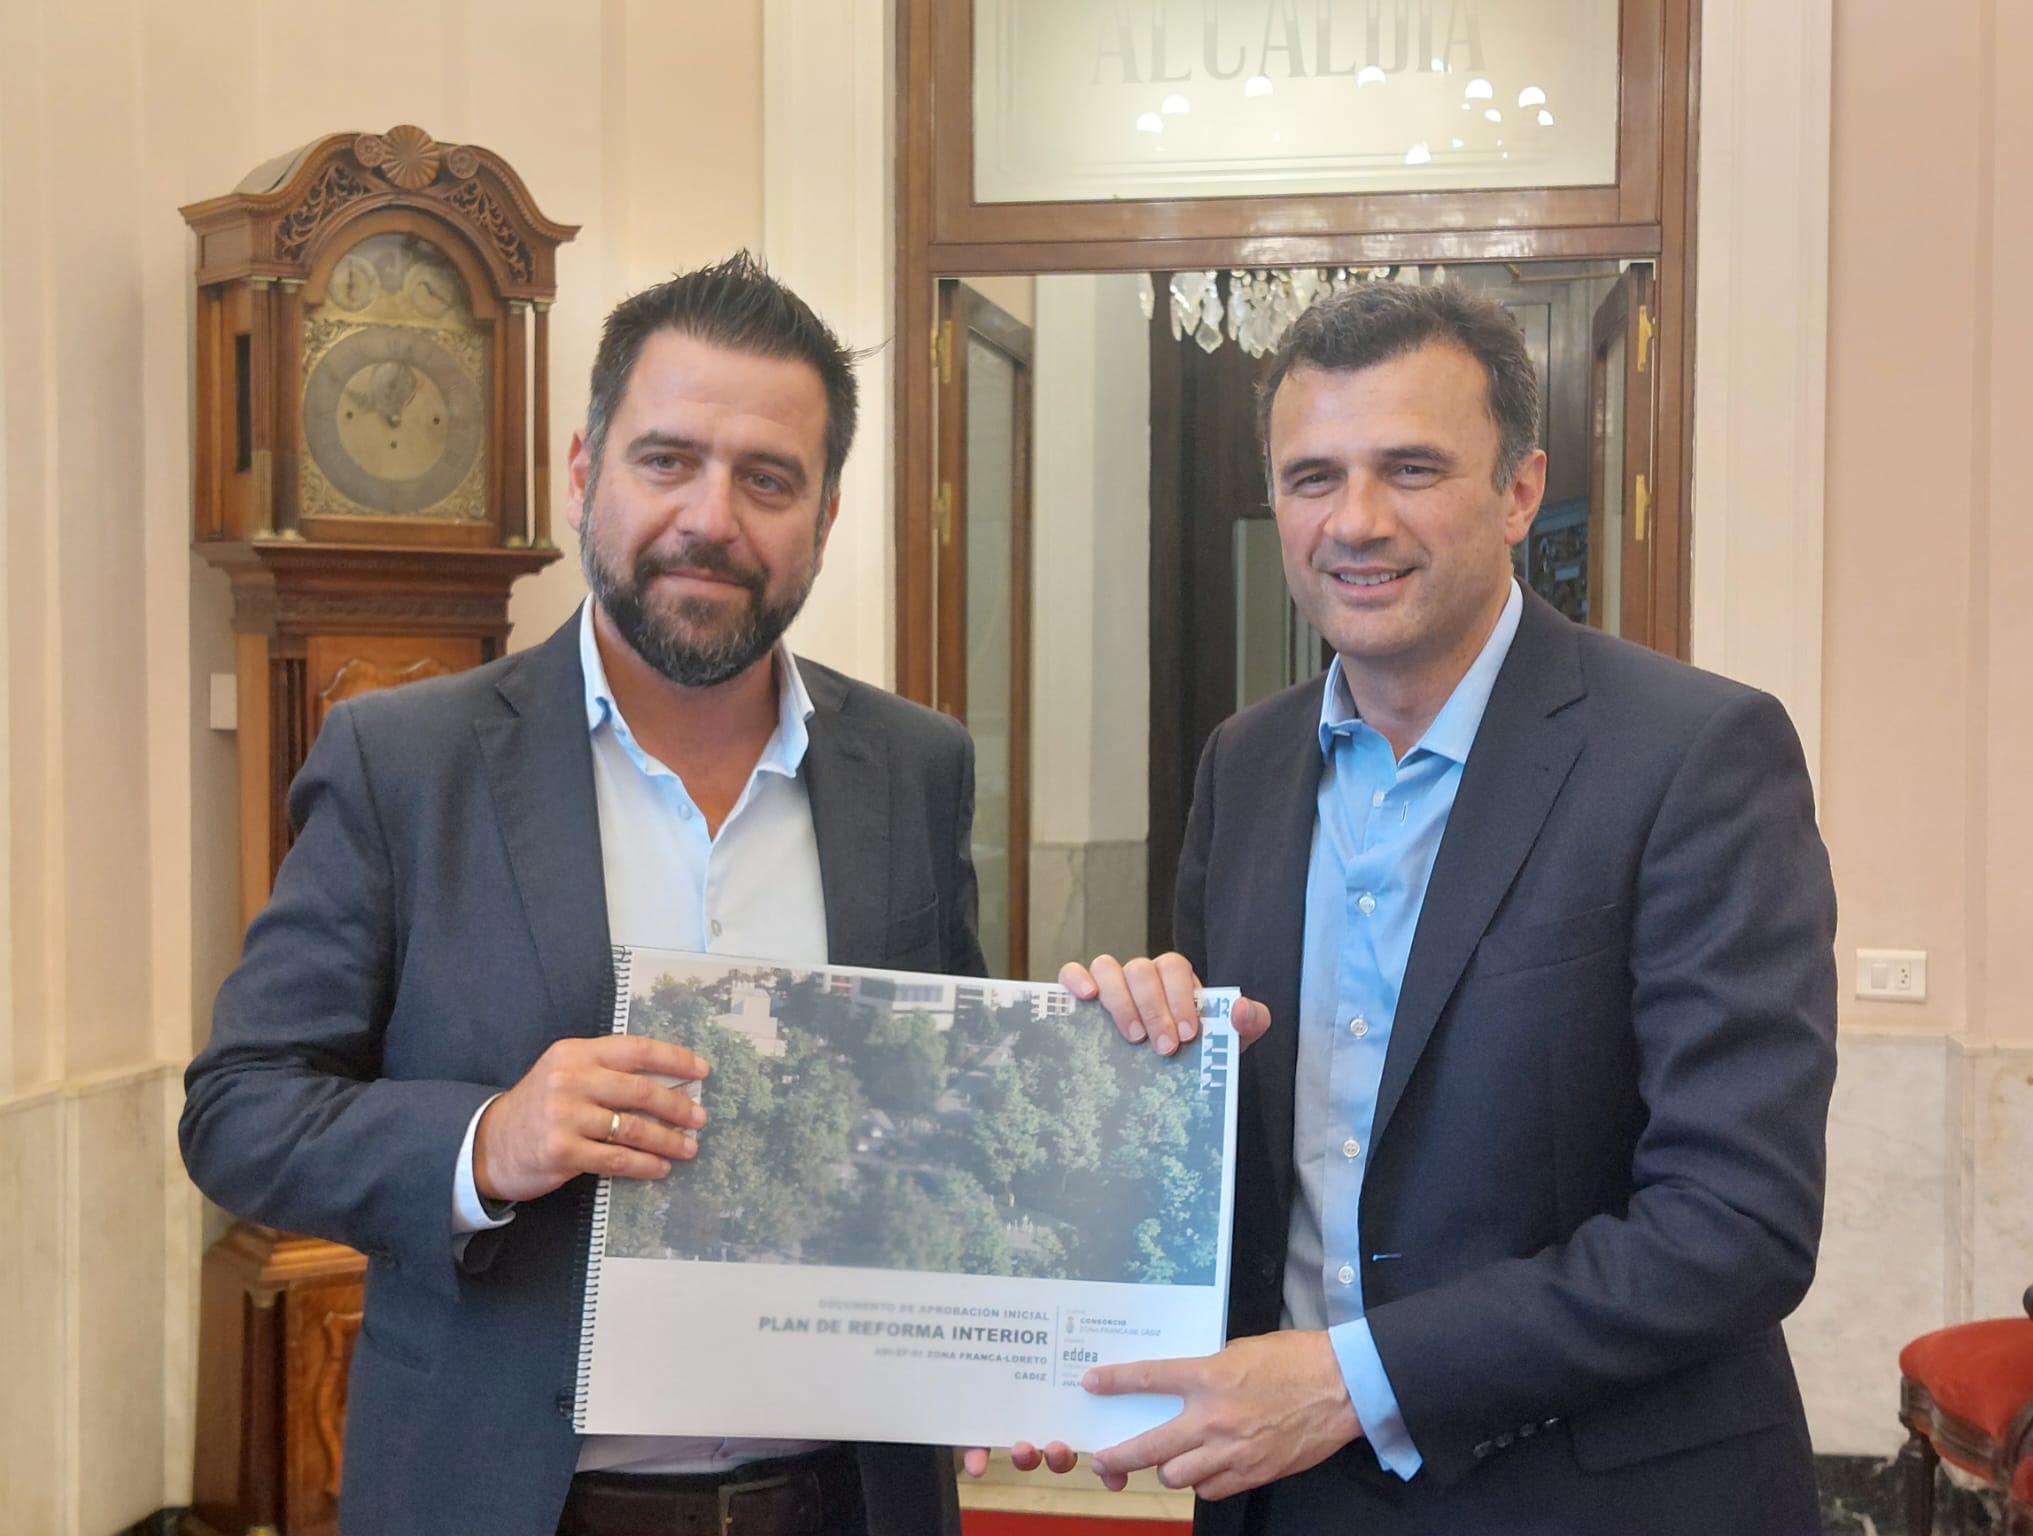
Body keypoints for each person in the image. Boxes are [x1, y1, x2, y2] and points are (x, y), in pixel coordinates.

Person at [1002, 281, 1838, 1534]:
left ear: (1517, 491)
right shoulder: (1245, 761)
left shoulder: (1694, 755)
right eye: (1311, 477)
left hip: (1594, 1497)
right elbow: (1232, 1165)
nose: (1356, 521)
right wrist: (1132, 1066)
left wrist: (1350, 1382)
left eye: (1409, 468)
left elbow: (1733, 1228)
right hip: (1283, 1497)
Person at [181, 253, 977, 1536]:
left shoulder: (917, 769)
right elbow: (237, 1112)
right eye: (666, 460)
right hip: (516, 1501)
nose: (710, 517)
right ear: (582, 472)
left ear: (824, 518)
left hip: (847, 1501)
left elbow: (951, 1111)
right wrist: (485, 1141)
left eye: (766, 479)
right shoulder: (406, 761)